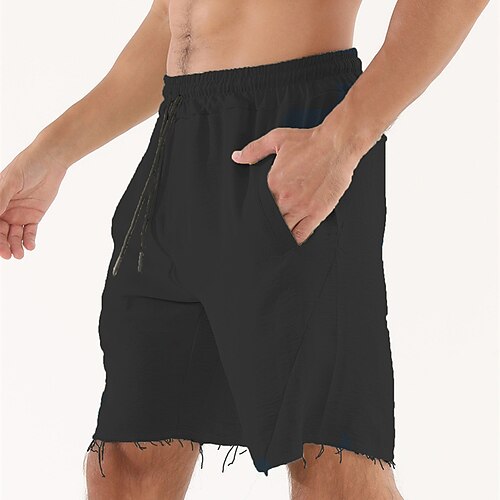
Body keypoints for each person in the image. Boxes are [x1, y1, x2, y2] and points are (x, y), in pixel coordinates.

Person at [0, 0, 491, 498]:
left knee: (335, 469)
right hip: (176, 144)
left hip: (294, 131)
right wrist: (51, 152)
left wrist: (342, 141)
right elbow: (172, 19)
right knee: (127, 462)